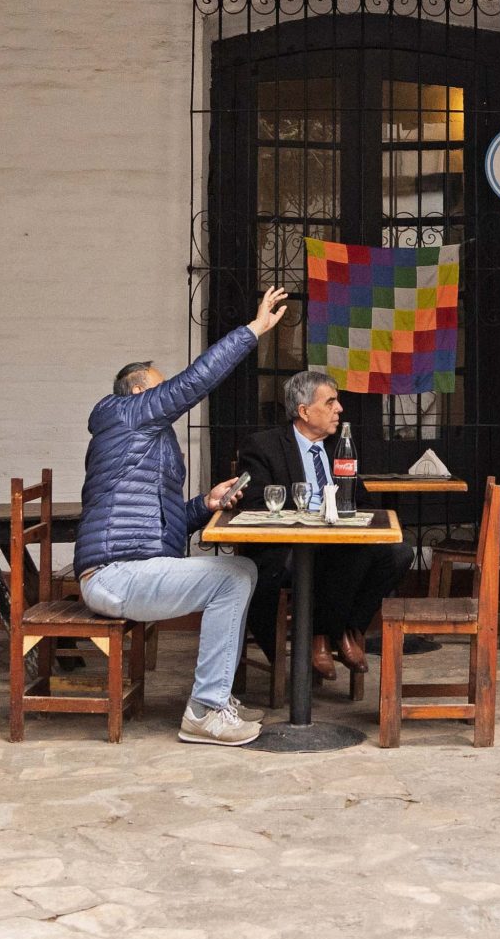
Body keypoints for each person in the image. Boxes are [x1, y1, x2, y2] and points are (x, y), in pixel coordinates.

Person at [75, 286, 289, 747]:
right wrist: (253, 330)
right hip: (116, 575)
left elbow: (160, 523)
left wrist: (203, 506)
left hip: (134, 568)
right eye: (159, 383)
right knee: (232, 577)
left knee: (241, 569)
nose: (168, 391)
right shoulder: (125, 413)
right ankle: (206, 710)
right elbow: (194, 381)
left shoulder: (146, 440)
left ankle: (215, 699)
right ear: (138, 390)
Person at [235, 370, 413, 687]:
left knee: (398, 552)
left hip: (339, 547)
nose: (339, 409)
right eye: (330, 401)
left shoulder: (338, 446)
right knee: (348, 555)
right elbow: (254, 504)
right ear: (304, 411)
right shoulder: (263, 446)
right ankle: (327, 633)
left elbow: (363, 502)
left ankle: (342, 630)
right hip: (287, 552)